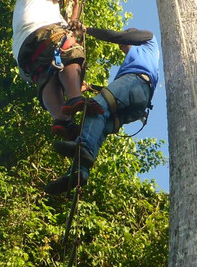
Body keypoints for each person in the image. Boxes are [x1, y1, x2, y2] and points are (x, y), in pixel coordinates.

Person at [45, 28, 160, 194]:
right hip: (139, 102)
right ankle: (79, 173)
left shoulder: (148, 38)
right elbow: (119, 94)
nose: (121, 46)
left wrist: (87, 30)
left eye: (123, 43)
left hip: (135, 81)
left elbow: (118, 37)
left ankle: (82, 148)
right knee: (101, 123)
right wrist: (91, 87)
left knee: (94, 109)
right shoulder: (141, 58)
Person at [12, 0, 101, 139]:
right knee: (70, 49)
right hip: (41, 32)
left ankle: (61, 119)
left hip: (24, 52)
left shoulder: (43, 8)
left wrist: (75, 11)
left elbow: (69, 28)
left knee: (46, 76)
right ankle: (75, 97)